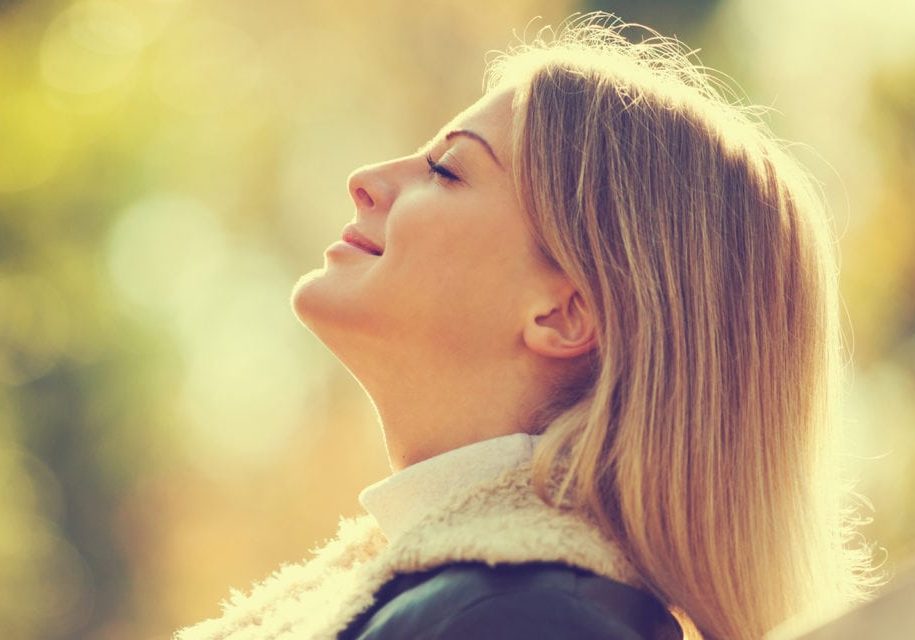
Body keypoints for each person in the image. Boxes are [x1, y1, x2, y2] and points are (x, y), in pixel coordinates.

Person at [175, 13, 883, 640]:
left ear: (564, 311)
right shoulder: (473, 600)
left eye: (446, 170)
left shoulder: (519, 621)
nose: (366, 178)